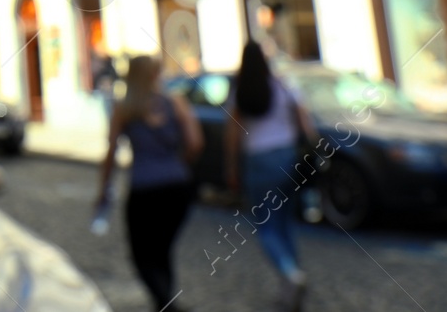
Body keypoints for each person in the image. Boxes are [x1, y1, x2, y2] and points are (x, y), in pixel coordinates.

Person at [95, 54, 202, 311]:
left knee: (142, 253)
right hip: (177, 186)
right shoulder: (175, 103)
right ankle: (164, 302)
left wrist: (104, 188)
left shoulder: (124, 108)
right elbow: (195, 143)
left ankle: (165, 302)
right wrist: (178, 165)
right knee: (162, 249)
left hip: (144, 188)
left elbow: (111, 152)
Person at [223, 41, 317, 312]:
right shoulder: (283, 85)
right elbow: (304, 119)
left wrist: (231, 168)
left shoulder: (240, 92)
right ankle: (291, 281)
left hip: (258, 161)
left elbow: (232, 135)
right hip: (288, 158)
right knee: (285, 222)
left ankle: (290, 274)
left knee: (266, 226)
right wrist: (313, 149)